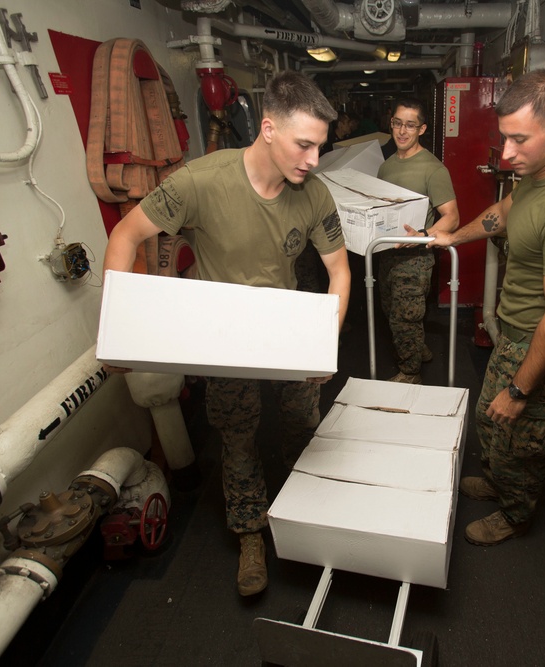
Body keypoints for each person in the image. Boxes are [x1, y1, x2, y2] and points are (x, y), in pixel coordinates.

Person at [103, 71, 350, 596]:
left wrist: (323, 344)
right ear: (266, 129)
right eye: (303, 145)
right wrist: (119, 327)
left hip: (286, 326)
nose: (313, 159)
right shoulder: (201, 181)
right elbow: (126, 235)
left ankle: (310, 516)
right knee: (237, 440)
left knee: (303, 427)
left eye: (320, 148)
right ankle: (250, 534)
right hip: (223, 333)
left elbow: (339, 271)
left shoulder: (314, 194)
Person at [423, 69, 545, 545]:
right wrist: (450, 236)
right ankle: (500, 478)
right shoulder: (535, 176)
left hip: (539, 345)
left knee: (521, 437)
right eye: (504, 138)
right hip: (515, 334)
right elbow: (503, 216)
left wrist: (522, 389)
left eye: (518, 140)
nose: (506, 154)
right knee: (491, 417)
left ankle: (516, 510)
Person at [377, 99, 459, 384]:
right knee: (391, 312)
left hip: (414, 259)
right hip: (387, 252)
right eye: (397, 123)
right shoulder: (386, 167)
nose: (402, 131)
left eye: (410, 125)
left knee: (404, 317)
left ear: (421, 128)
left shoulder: (432, 168)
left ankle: (410, 373)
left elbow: (452, 217)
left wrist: (423, 236)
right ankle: (416, 346)